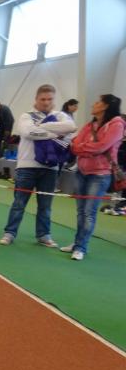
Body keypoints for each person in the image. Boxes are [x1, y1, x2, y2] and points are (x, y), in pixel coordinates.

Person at [0, 84, 77, 247]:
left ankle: (44, 235)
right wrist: (56, 133)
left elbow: (71, 128)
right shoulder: (26, 116)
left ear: (54, 100)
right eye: (43, 99)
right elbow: (28, 133)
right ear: (36, 99)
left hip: (51, 168)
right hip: (26, 166)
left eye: (50, 99)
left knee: (45, 205)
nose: (46, 102)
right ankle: (10, 233)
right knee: (19, 203)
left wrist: (41, 128)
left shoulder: (61, 115)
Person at [62, 94, 124, 260]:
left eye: (98, 102)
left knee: (89, 212)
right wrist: (85, 148)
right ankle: (77, 243)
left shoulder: (117, 124)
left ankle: (81, 247)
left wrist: (82, 148)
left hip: (100, 174)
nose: (93, 104)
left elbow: (101, 146)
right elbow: (75, 144)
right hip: (81, 172)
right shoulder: (90, 124)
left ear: (105, 106)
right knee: (81, 211)